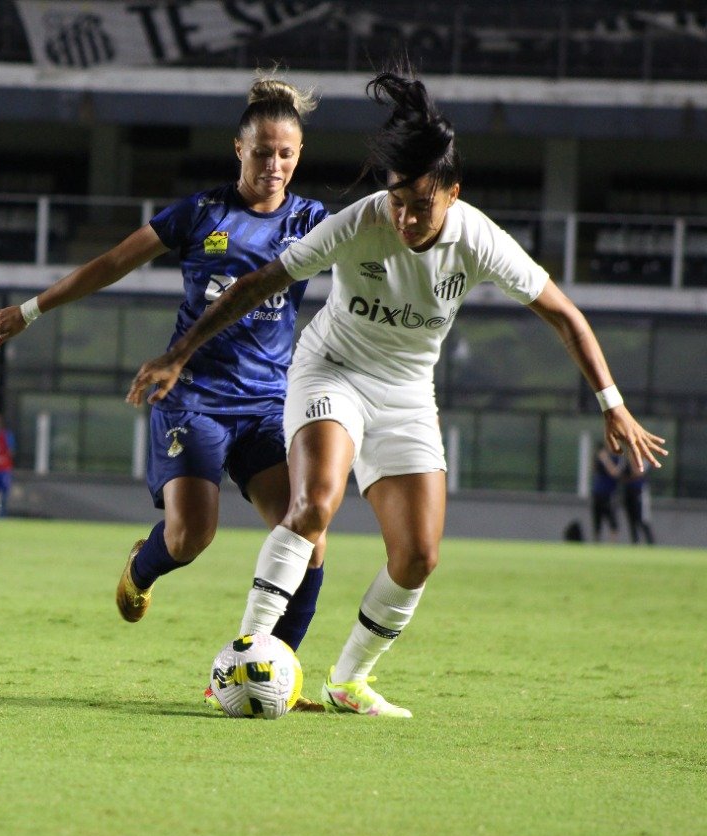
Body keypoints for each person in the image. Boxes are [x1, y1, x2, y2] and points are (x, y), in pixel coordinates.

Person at [128, 69, 667, 718]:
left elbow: (564, 314)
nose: (406, 217)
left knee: (418, 554)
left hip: (406, 394)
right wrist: (177, 354)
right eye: (397, 200)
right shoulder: (361, 222)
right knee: (315, 504)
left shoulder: (478, 238)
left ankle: (348, 678)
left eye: (422, 205)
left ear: (453, 194)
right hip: (330, 370)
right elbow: (256, 284)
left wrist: (612, 401)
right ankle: (250, 650)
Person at [0, 73, 330, 710]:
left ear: (299, 155)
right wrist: (30, 310)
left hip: (267, 406)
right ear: (238, 149)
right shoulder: (201, 213)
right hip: (191, 395)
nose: (273, 165)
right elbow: (112, 262)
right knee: (191, 537)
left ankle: (276, 668)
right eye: (261, 152)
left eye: (285, 153)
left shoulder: (314, 221)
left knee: (305, 537)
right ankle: (143, 567)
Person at [590, 443, 624, 543]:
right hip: (598, 492)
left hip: (609, 494)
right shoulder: (600, 456)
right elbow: (594, 469)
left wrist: (605, 460)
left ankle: (612, 544)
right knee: (597, 520)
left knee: (612, 520)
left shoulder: (616, 458)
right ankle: (596, 542)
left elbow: (615, 473)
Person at [619, 456, 655, 545]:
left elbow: (638, 472)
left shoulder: (645, 459)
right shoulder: (625, 460)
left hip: (640, 493)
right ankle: (635, 542)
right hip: (628, 492)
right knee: (631, 520)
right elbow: (621, 474)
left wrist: (632, 461)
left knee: (643, 519)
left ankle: (650, 542)